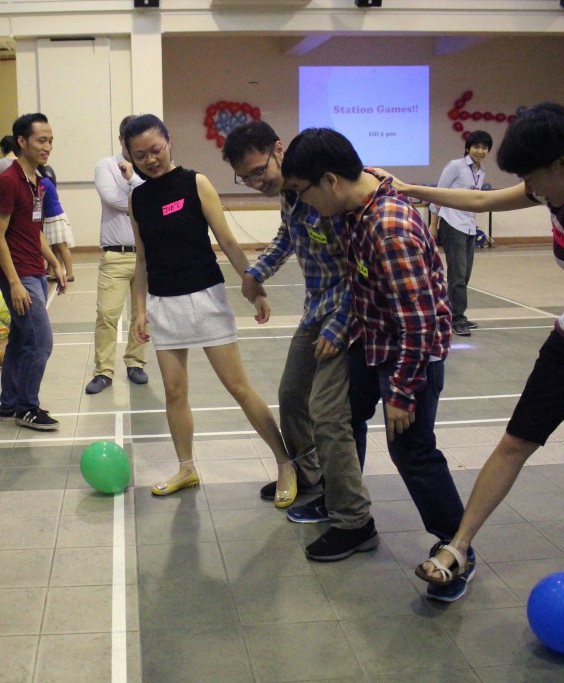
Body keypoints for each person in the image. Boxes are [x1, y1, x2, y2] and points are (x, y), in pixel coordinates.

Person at [392, 102, 564, 594]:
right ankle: (456, 548)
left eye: (533, 177)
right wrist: (410, 190)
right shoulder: (556, 192)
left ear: (563, 163)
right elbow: (479, 203)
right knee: (514, 442)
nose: (531, 189)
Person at [281, 128, 470, 599]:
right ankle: (352, 520)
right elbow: (364, 287)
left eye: (304, 192)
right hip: (372, 341)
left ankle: (456, 547)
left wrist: (402, 392)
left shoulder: (388, 226)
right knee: (338, 415)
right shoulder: (353, 209)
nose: (304, 203)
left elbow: (419, 322)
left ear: (330, 180)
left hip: (408, 354)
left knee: (413, 449)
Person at [124, 114, 297, 504]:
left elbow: (228, 242)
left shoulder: (194, 182)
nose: (150, 159)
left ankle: (285, 462)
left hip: (205, 298)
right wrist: (139, 309)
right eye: (140, 155)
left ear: (168, 141)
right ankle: (186, 467)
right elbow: (141, 258)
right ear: (130, 157)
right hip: (163, 304)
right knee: (174, 391)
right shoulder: (137, 198)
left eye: (155, 149)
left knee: (238, 387)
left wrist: (254, 289)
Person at [223, 121, 375, 553]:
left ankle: (353, 519)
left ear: (278, 149)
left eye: (258, 171)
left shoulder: (326, 191)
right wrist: (255, 273)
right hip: (317, 310)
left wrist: (339, 325)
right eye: (245, 178)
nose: (256, 183)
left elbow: (360, 269)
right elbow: (288, 238)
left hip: (349, 316)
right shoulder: (292, 193)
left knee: (328, 416)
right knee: (292, 395)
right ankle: (310, 477)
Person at [0, 112, 65, 431]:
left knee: (21, 341)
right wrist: (15, 283)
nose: (47, 146)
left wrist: (55, 262)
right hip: (19, 275)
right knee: (40, 341)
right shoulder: (8, 181)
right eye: (41, 140)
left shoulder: (38, 181)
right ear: (22, 142)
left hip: (34, 270)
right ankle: (26, 407)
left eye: (50, 140)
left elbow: (32, 231)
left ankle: (9, 405)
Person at [86, 115, 148, 395]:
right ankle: (104, 371)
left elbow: (154, 200)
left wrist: (136, 179)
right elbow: (114, 199)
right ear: (122, 139)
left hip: (147, 255)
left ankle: (136, 363)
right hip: (116, 255)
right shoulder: (106, 166)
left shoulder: (148, 166)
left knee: (142, 315)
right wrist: (146, 200)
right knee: (107, 315)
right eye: (130, 138)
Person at [431, 130, 492, 337]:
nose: (480, 151)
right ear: (468, 148)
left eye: (484, 148)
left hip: (468, 226)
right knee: (457, 276)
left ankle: (448, 314)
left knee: (464, 276)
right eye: (476, 147)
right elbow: (438, 194)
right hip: (451, 224)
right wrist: (433, 225)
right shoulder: (455, 166)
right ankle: (458, 319)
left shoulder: (481, 170)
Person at [39, 168, 75, 282]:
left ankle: (69, 273)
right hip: (51, 216)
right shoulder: (44, 181)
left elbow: (38, 200)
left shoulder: (43, 182)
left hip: (55, 216)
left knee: (62, 246)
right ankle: (57, 272)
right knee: (55, 247)